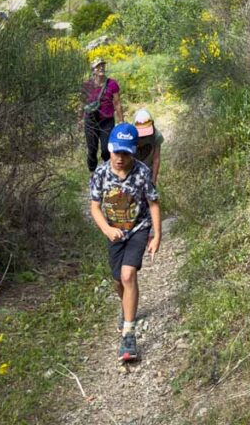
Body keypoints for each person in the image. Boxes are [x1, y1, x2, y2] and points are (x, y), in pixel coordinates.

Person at [90, 123, 161, 362]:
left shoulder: (141, 172)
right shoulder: (101, 173)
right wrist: (107, 229)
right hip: (114, 233)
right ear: (109, 149)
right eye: (116, 152)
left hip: (138, 229)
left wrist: (157, 235)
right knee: (117, 279)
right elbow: (95, 206)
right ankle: (126, 308)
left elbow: (153, 203)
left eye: (126, 153)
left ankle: (129, 336)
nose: (120, 158)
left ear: (134, 152)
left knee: (128, 275)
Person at [82, 57, 124, 174]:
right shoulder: (86, 84)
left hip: (107, 121)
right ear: (93, 70)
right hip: (90, 121)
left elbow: (117, 103)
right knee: (92, 150)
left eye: (102, 65)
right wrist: (80, 119)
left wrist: (122, 121)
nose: (101, 68)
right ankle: (92, 175)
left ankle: (108, 173)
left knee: (107, 149)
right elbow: (82, 103)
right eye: (98, 66)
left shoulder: (112, 84)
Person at [133, 108, 164, 185]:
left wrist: (153, 180)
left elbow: (156, 158)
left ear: (152, 124)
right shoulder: (130, 135)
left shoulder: (156, 136)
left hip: (148, 171)